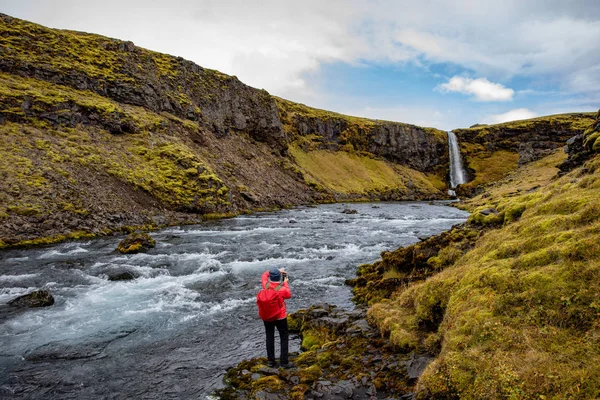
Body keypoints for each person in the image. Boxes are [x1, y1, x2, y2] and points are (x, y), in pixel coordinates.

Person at [259, 267, 291, 368]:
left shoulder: (266, 285)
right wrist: (285, 282)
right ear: (279, 277)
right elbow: (288, 294)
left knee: (269, 336)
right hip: (280, 317)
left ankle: (271, 361)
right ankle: (284, 362)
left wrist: (276, 270)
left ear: (271, 278)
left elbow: (264, 275)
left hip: (267, 317)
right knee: (284, 337)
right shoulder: (281, 289)